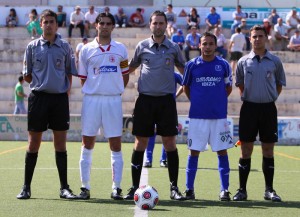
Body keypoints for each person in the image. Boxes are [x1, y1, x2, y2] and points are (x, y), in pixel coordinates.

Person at [123, 10, 186, 201]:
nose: (158, 26)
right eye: (155, 23)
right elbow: (130, 68)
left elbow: (185, 71)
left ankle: (174, 188)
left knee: (169, 143)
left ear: (166, 25)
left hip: (166, 101)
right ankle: (134, 187)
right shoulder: (142, 46)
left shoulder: (174, 47)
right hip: (145, 101)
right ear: (150, 25)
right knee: (140, 142)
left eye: (161, 23)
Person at [17, 9, 78, 200]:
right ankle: (26, 187)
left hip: (59, 99)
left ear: (56, 25)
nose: (49, 25)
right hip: (38, 98)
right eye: (46, 22)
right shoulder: (32, 47)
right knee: (33, 143)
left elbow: (69, 72)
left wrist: (64, 92)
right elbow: (27, 75)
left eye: (52, 21)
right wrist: (42, 84)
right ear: (40, 24)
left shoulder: (65, 47)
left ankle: (64, 188)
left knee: (60, 144)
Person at [76, 12, 129, 200]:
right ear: (95, 26)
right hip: (91, 100)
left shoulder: (121, 48)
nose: (104, 26)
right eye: (101, 23)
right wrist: (96, 89)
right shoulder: (86, 49)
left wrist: (114, 89)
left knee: (115, 144)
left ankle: (116, 187)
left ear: (113, 27)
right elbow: (83, 78)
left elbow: (125, 74)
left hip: (113, 100)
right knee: (87, 142)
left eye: (108, 23)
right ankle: (85, 187)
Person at [233, 25, 286, 202]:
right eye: (254, 36)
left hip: (268, 109)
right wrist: (252, 97)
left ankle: (269, 190)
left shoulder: (275, 61)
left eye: (260, 36)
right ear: (250, 38)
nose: (257, 39)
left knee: (268, 150)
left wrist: (268, 97)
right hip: (248, 109)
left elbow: (279, 85)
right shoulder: (242, 61)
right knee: (245, 150)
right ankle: (242, 190)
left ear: (266, 38)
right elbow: (240, 84)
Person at [182, 31, 233, 201]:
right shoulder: (191, 65)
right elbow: (186, 87)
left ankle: (224, 190)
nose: (208, 47)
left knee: (222, 152)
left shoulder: (224, 65)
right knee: (194, 151)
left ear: (216, 45)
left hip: (219, 116)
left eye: (211, 44)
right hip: (197, 116)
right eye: (205, 44)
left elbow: (228, 88)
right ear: (199, 45)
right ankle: (189, 189)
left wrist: (216, 101)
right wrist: (197, 101)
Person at [144, 71, 184, 168]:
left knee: (167, 134)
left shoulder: (173, 74)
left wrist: (175, 96)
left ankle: (164, 159)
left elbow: (185, 83)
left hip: (168, 107)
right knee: (151, 132)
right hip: (153, 106)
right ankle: (148, 159)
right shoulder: (153, 72)